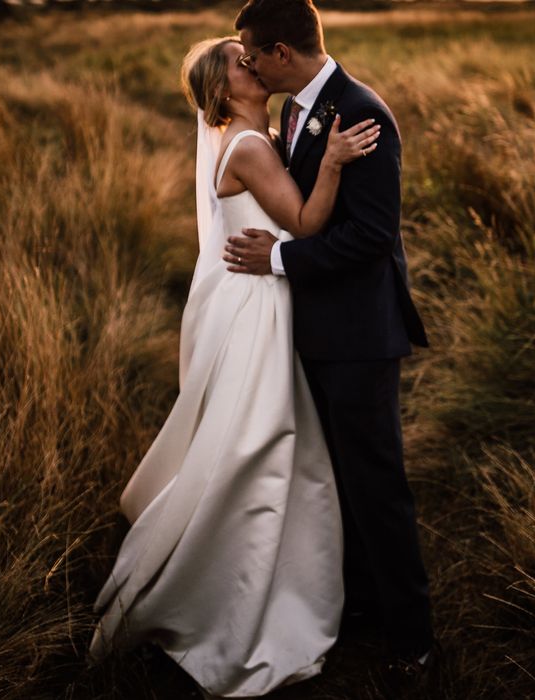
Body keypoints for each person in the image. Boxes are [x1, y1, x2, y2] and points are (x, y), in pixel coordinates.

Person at [87, 35, 380, 698]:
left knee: (262, 440)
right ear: (223, 93)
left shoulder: (261, 134)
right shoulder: (248, 146)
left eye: (254, 56)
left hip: (259, 301)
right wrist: (332, 160)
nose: (255, 64)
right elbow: (304, 225)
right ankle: (231, 594)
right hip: (256, 313)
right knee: (260, 442)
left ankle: (273, 576)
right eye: (242, 64)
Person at [223, 0, 435, 672]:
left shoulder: (361, 110)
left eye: (254, 55)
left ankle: (413, 641)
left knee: (376, 483)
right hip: (318, 328)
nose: (250, 66)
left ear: (282, 53)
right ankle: (364, 605)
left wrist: (278, 259)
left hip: (360, 333)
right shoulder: (296, 110)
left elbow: (372, 237)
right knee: (339, 480)